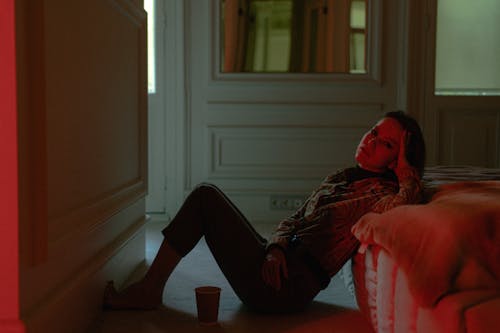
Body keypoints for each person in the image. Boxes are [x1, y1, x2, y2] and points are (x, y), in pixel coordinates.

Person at [103, 110, 426, 313]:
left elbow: (400, 210)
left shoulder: (380, 193)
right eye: (374, 132)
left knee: (204, 197)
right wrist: (275, 248)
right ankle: (150, 288)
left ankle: (149, 290)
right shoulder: (342, 177)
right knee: (208, 193)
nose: (371, 141)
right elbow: (296, 218)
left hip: (284, 288)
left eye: (386, 145)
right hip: (279, 262)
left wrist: (408, 175)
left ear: (397, 161)